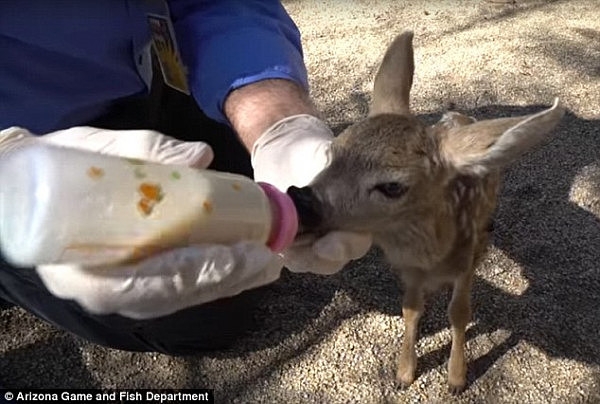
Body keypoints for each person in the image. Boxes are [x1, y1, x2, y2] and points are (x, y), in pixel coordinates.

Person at [0, 1, 372, 354]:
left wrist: (280, 126)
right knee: (201, 310)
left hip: (159, 75)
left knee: (238, 208)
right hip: (33, 147)